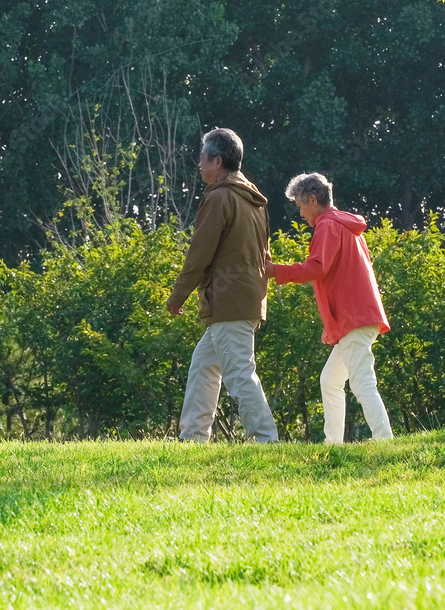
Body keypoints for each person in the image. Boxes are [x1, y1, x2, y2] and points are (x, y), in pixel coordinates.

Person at [166, 128, 279, 443]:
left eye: (202, 157)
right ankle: (192, 438)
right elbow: (264, 254)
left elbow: (199, 254)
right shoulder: (253, 199)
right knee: (204, 366)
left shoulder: (219, 197)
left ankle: (266, 440)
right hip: (246, 297)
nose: (199, 163)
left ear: (216, 161)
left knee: (239, 375)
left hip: (228, 300)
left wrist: (178, 296)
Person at [266, 172, 393, 444]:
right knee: (330, 380)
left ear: (313, 200)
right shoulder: (347, 225)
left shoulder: (327, 226)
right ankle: (333, 443)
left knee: (361, 382)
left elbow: (317, 267)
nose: (300, 213)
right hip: (361, 314)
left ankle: (384, 440)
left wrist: (274, 271)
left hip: (352, 316)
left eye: (300, 206)